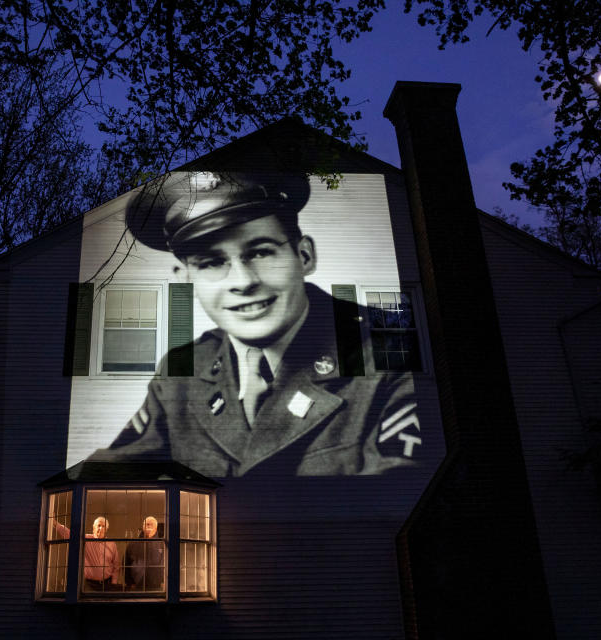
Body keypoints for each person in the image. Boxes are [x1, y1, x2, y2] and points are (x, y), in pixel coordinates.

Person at [93, 171, 421, 477]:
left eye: (261, 253)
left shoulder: (394, 349)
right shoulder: (181, 373)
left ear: (304, 256)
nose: (244, 281)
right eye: (211, 263)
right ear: (187, 280)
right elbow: (105, 480)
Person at [54, 516, 121, 591]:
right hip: (90, 585)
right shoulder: (86, 540)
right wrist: (55, 523)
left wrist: (113, 583)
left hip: (107, 584)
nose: (101, 528)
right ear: (94, 527)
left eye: (103, 526)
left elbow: (116, 565)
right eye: (99, 525)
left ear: (106, 529)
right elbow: (70, 534)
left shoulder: (112, 544)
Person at [125, 516, 165, 591]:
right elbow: (126, 564)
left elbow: (166, 564)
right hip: (136, 585)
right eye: (146, 524)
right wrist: (129, 582)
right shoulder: (132, 544)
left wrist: (164, 581)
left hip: (157, 586)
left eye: (151, 524)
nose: (148, 526)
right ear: (143, 527)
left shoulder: (162, 545)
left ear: (156, 528)